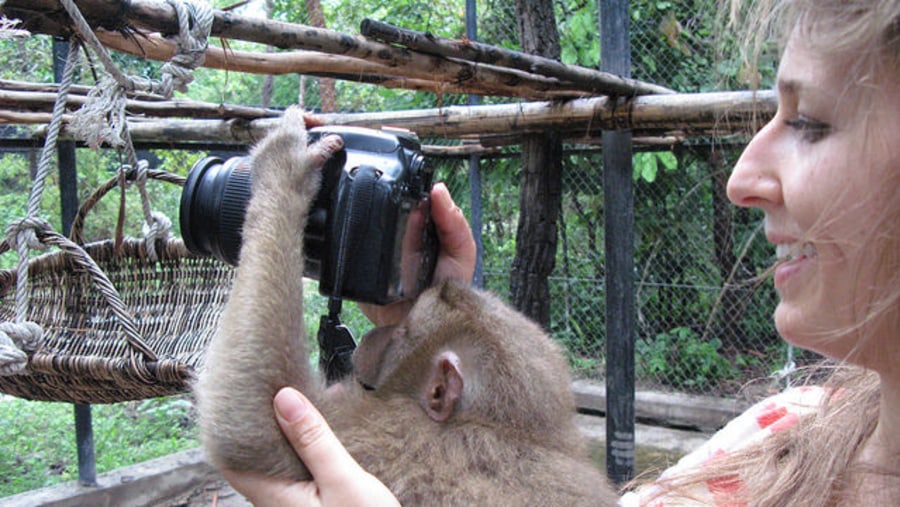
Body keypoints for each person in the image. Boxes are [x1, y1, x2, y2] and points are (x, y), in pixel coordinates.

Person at [222, 0, 899, 504]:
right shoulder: (788, 430)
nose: (741, 179)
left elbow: (249, 426)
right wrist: (424, 322)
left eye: (809, 122)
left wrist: (275, 208)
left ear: (442, 387)